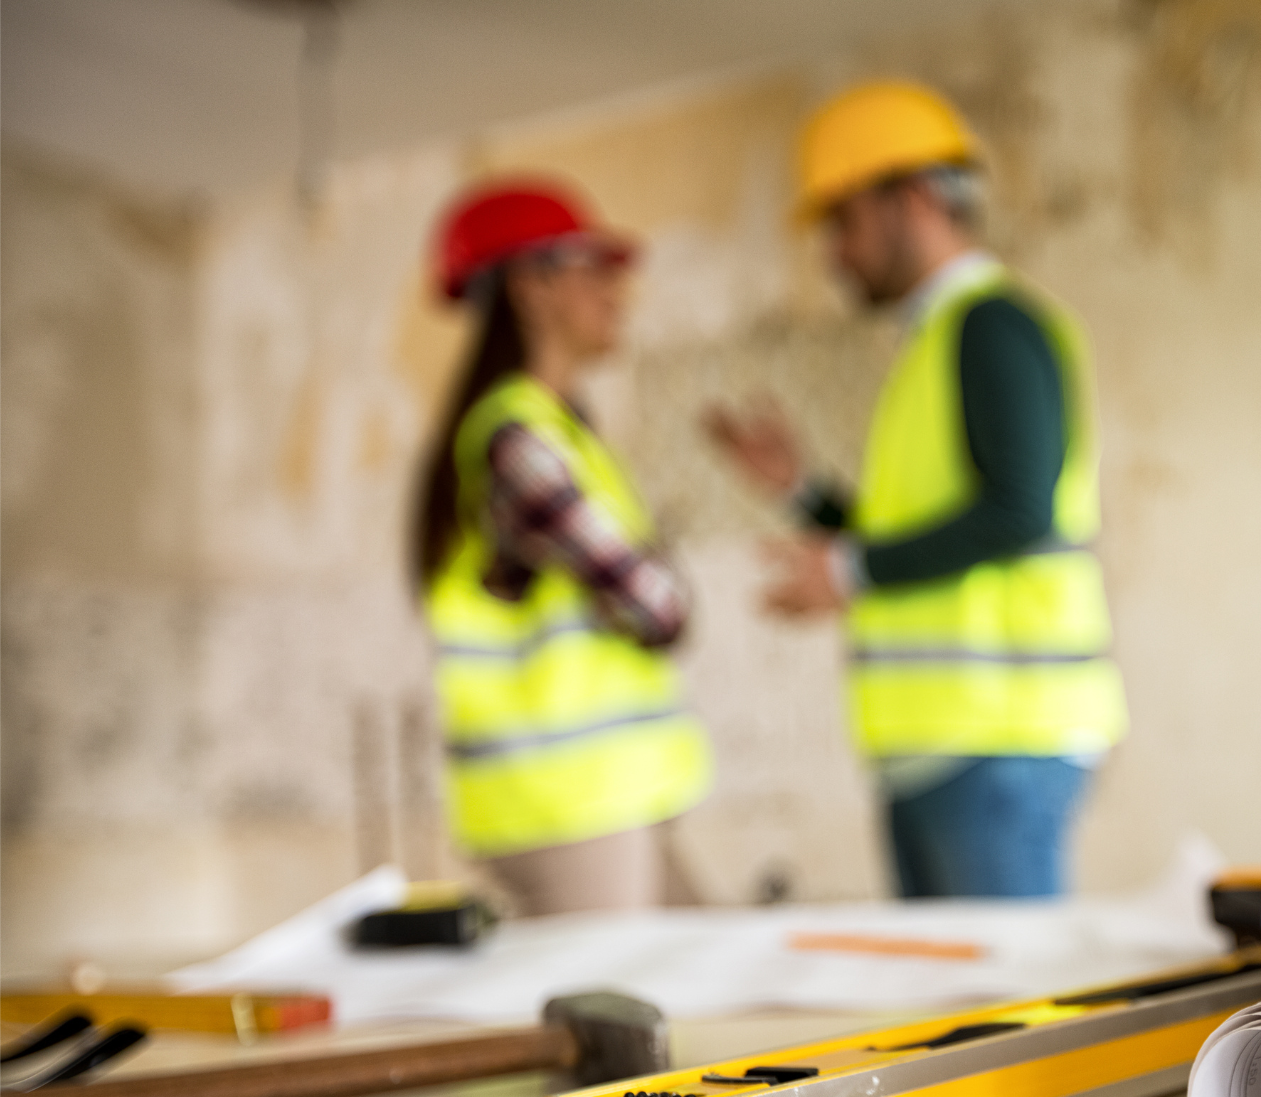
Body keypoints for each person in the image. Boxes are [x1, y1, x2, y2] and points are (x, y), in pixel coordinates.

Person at [704, 81, 1126, 899]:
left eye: (845, 218)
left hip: (999, 737)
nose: (834, 251)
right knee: (961, 1019)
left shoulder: (992, 327)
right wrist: (804, 494)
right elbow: (923, 528)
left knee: (1010, 1014)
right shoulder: (936, 340)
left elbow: (1016, 511)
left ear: (917, 196)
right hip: (946, 741)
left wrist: (848, 572)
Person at [413, 179, 712, 915]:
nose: (617, 290)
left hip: (602, 796)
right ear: (530, 283)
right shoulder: (522, 441)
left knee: (720, 982)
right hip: (567, 804)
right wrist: (659, 573)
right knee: (632, 1015)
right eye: (591, 267)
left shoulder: (558, 429)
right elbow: (658, 608)